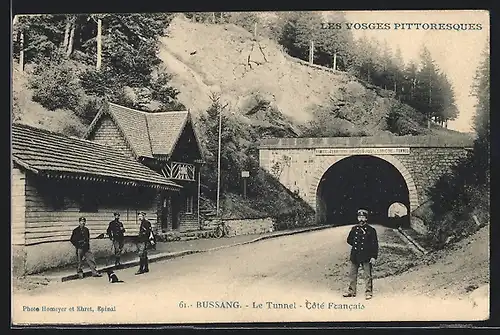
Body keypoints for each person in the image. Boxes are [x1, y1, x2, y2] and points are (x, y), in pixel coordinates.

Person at [343, 209, 378, 300]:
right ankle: (351, 291)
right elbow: (349, 240)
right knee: (352, 274)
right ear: (357, 218)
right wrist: (356, 246)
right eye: (359, 217)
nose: (361, 219)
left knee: (367, 275)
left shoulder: (371, 230)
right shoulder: (354, 229)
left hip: (366, 255)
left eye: (363, 217)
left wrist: (373, 256)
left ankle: (368, 292)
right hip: (355, 254)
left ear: (366, 219)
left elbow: (374, 244)